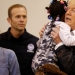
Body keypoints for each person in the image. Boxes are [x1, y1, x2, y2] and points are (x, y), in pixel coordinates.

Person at [0, 4, 39, 75]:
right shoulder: (1, 40)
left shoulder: (35, 42)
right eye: (18, 17)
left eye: (24, 17)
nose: (22, 20)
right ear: (9, 20)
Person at [31, 0, 69, 74]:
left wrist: (41, 38)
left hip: (35, 63)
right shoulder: (63, 26)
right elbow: (69, 40)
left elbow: (39, 44)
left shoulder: (48, 25)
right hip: (49, 65)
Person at [38, 0, 75, 75]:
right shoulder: (59, 29)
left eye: (73, 10)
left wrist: (59, 44)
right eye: (67, 9)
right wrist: (43, 38)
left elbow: (72, 69)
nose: (67, 13)